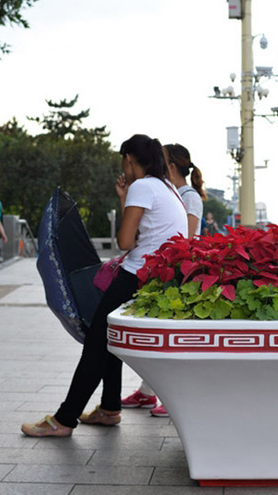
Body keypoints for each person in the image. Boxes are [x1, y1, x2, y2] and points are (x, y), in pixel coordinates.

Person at [22, 134, 187, 437]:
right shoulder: (167, 188)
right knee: (111, 339)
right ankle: (110, 408)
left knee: (96, 345)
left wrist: (127, 197)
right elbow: (144, 235)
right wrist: (124, 199)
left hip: (134, 276)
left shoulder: (143, 186)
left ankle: (63, 420)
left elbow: (126, 241)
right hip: (156, 278)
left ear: (127, 159)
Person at [120, 143, 204, 419]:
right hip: (161, 268)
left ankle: (169, 395)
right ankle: (147, 391)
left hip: (174, 271)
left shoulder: (187, 197)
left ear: (169, 166)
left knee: (169, 337)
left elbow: (185, 239)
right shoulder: (168, 192)